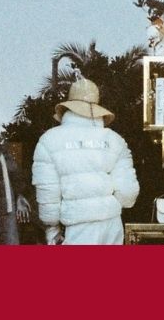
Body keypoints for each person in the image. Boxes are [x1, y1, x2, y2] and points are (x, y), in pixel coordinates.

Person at [32, 78, 139, 245]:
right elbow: (127, 193)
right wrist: (106, 206)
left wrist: (52, 227)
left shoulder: (49, 140)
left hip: (75, 226)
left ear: (69, 107)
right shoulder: (115, 140)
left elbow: (48, 192)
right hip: (111, 225)